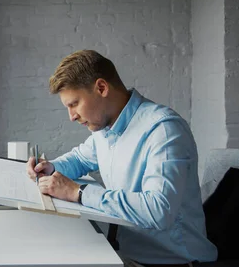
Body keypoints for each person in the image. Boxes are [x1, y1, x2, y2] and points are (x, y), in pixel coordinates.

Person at [26, 50, 217, 267]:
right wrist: (49, 167)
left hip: (175, 261)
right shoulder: (104, 129)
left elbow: (158, 211)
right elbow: (80, 158)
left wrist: (77, 193)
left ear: (101, 88)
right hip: (126, 254)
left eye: (74, 104)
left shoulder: (163, 130)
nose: (71, 117)